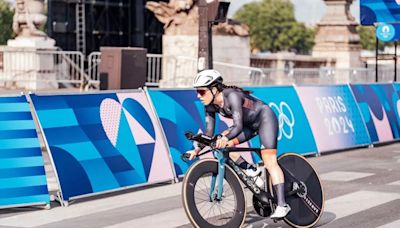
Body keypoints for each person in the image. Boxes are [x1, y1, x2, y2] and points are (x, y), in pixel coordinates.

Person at [186, 69, 291, 219]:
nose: (198, 96)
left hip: (264, 119)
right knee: (219, 143)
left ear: (214, 89)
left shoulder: (232, 96)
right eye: (197, 92)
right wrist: (196, 150)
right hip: (248, 125)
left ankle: (282, 205)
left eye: (202, 92)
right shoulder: (210, 105)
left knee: (269, 162)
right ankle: (250, 169)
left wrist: (225, 138)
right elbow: (209, 133)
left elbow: (238, 126)